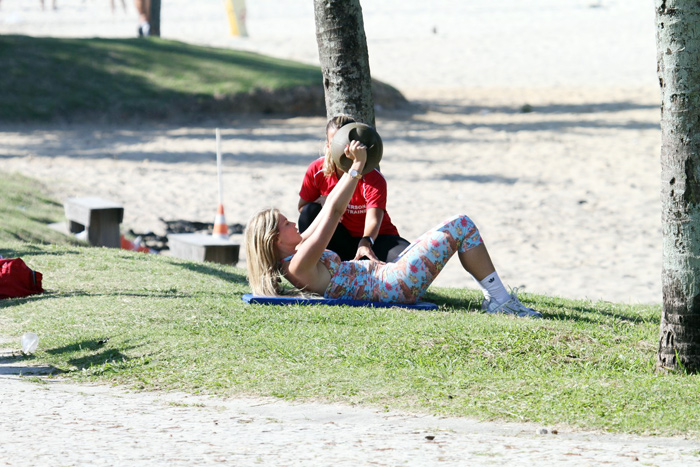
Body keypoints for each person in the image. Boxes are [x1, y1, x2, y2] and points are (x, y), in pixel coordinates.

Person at [246, 140, 541, 318]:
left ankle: (498, 299)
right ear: (274, 240)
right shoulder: (299, 264)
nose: (294, 222)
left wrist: (346, 166)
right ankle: (500, 301)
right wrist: (356, 169)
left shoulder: (296, 255)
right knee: (461, 224)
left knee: (457, 225)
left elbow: (327, 208)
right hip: (393, 285)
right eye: (286, 223)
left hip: (388, 278)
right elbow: (334, 214)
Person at [298, 116, 410, 264]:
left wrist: (366, 242)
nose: (343, 150)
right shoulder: (317, 170)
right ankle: (325, 264)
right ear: (327, 145)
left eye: (346, 144)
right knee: (310, 211)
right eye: (335, 143)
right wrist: (326, 203)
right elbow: (303, 209)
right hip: (339, 239)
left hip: (374, 239)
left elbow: (374, 219)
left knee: (410, 261)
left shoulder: (373, 178)